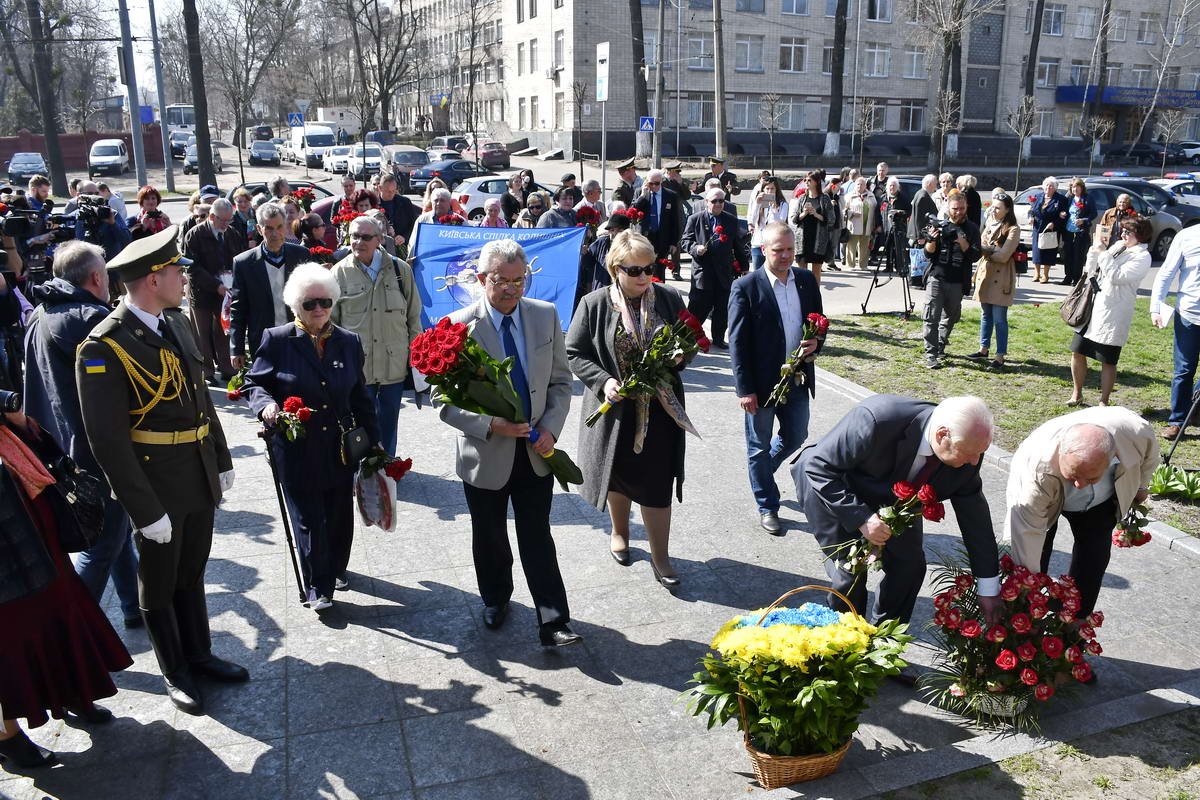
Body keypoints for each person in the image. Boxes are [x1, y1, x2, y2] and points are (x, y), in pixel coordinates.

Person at [76, 226, 244, 715]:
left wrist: (221, 456)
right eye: (177, 271)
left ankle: (200, 653)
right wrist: (143, 509)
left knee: (192, 569)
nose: (183, 279)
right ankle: (175, 670)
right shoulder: (104, 346)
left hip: (195, 470)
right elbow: (106, 441)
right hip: (156, 479)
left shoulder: (177, 322)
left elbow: (200, 401)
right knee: (160, 578)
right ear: (153, 279)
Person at [439, 238, 581, 647]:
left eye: (520, 281)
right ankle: (495, 597)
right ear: (482, 279)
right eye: (502, 281)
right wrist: (490, 425)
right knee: (489, 535)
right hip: (486, 453)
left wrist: (551, 428)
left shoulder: (545, 315)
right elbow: (442, 404)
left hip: (537, 450)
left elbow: (560, 381)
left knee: (537, 535)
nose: (513, 289)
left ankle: (553, 618)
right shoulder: (457, 328)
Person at [791, 394, 1002, 635]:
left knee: (909, 567)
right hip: (835, 486)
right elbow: (819, 467)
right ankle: (844, 651)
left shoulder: (970, 447)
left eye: (979, 453)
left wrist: (988, 589)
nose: (975, 462)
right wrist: (862, 518)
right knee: (849, 574)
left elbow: (977, 525)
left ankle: (882, 649)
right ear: (942, 435)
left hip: (895, 501)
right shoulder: (878, 419)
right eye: (969, 453)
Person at [0, 408, 133, 768]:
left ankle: (72, 689)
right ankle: (6, 736)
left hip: (19, 491)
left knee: (58, 601)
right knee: (8, 631)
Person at [243, 264, 380, 611]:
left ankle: (336, 568)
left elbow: (359, 395)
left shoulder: (349, 342)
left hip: (338, 445)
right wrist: (267, 407)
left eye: (324, 302)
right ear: (295, 306)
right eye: (309, 304)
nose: (318, 309)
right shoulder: (277, 340)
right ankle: (317, 585)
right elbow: (253, 382)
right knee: (307, 516)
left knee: (338, 513)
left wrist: (375, 443)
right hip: (295, 445)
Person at [22, 240, 141, 630]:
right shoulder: (88, 318)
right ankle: (71, 635)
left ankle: (131, 607)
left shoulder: (42, 311)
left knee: (117, 535)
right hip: (92, 453)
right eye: (106, 275)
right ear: (96, 277)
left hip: (63, 449)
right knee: (102, 545)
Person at [566, 231, 696, 585]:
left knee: (657, 483)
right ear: (615, 269)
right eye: (634, 270)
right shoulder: (594, 304)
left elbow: (690, 339)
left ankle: (661, 557)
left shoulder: (668, 298)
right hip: (617, 413)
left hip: (661, 412)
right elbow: (574, 351)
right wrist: (604, 381)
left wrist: (682, 356)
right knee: (618, 476)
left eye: (649, 269)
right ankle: (619, 531)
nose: (643, 277)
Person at [1005, 407, 1157, 622]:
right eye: (1074, 475)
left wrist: (1140, 486)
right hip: (1048, 488)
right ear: (1062, 454)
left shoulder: (1137, 433)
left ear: (1112, 457)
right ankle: (1028, 615)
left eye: (1091, 477)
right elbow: (1028, 533)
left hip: (1100, 500)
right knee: (1037, 550)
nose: (1079, 485)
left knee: (1094, 554)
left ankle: (1074, 622)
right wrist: (1028, 592)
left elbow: (1149, 458)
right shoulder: (1036, 470)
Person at [728, 223, 823, 534]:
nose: (785, 256)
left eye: (790, 250)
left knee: (796, 435)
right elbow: (738, 343)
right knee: (758, 445)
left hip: (796, 378)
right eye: (778, 250)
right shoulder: (746, 286)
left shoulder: (807, 280)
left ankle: (763, 471)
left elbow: (819, 325)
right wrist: (745, 389)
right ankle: (767, 504)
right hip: (761, 383)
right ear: (763, 249)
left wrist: (816, 343)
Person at [329, 215, 421, 457]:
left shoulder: (401, 270)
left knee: (389, 420)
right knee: (358, 421)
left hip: (394, 365)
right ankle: (363, 470)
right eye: (354, 236)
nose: (359, 242)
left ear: (380, 239)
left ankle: (386, 466)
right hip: (358, 367)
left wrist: (417, 358)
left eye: (365, 237)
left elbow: (414, 317)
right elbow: (332, 324)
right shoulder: (338, 274)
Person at [1067, 217, 1153, 407]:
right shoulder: (1119, 246)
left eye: (1127, 232)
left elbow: (1117, 276)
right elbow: (1093, 269)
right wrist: (1095, 250)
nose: (1123, 235)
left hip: (1114, 312)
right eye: (1122, 231)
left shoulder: (1143, 257)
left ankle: (1103, 401)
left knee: (1108, 359)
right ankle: (1077, 393)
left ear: (1140, 236)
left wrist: (1103, 254)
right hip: (1094, 307)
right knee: (1077, 351)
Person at [230, 203, 310, 371]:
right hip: (262, 339)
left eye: (279, 227)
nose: (275, 234)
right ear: (259, 229)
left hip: (297, 336)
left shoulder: (301, 255)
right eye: (269, 228)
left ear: (286, 226)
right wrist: (236, 348)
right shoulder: (244, 263)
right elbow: (238, 308)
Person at [182, 197, 245, 385]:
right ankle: (207, 372)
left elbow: (238, 259)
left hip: (226, 292)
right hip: (201, 293)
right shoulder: (194, 235)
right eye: (222, 220)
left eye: (229, 220)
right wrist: (214, 285)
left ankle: (227, 368)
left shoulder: (232, 233)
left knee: (224, 330)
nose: (226, 224)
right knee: (202, 333)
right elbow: (192, 268)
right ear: (211, 217)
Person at [682, 188, 750, 348]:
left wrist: (744, 267)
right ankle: (688, 337)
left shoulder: (731, 220)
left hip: (724, 272)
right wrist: (695, 248)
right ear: (707, 202)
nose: (718, 204)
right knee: (698, 307)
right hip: (703, 272)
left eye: (721, 201)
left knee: (722, 309)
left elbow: (737, 245)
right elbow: (685, 241)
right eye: (714, 201)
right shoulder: (695, 219)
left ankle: (718, 339)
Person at [921, 193, 981, 369]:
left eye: (962, 208)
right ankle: (931, 354)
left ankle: (940, 344)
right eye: (955, 209)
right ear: (948, 207)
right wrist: (932, 239)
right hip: (937, 277)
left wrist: (961, 240)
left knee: (952, 317)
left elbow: (975, 255)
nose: (959, 212)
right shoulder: (939, 225)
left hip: (958, 280)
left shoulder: (972, 229)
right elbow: (928, 253)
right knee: (931, 316)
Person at [1152, 224, 1200, 440]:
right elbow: (1166, 272)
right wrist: (1156, 306)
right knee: (1184, 371)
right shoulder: (1187, 236)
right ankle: (1178, 421)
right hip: (1189, 314)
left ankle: (1195, 408)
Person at [968, 193, 1020, 372]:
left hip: (1002, 276)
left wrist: (987, 250)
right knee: (985, 315)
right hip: (986, 272)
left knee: (999, 319)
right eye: (993, 207)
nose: (994, 210)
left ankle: (1000, 355)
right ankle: (983, 349)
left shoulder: (1013, 229)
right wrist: (991, 249)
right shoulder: (990, 222)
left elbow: (1004, 256)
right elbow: (980, 244)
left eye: (998, 208)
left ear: (1007, 210)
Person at [631, 169, 680, 279]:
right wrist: (643, 196)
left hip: (662, 238)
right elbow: (632, 212)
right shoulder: (640, 192)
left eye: (656, 183)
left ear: (661, 181)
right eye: (650, 183)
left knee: (659, 270)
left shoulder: (670, 195)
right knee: (643, 268)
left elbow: (674, 221)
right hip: (644, 237)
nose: (653, 186)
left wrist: (673, 242)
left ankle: (659, 293)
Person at [790, 170, 835, 284]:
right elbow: (794, 219)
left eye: (809, 180)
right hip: (802, 240)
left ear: (816, 182)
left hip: (818, 240)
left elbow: (831, 219)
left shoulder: (824, 198)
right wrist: (804, 213)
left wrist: (816, 214)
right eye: (805, 180)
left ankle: (815, 297)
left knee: (816, 273)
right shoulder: (802, 198)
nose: (806, 182)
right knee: (802, 273)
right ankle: (802, 296)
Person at [1030, 176, 1068, 284]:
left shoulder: (1061, 199)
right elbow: (1031, 210)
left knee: (1049, 251)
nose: (1048, 187)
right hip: (1038, 228)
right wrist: (1031, 217)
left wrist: (1054, 223)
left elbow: (1063, 215)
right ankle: (1036, 273)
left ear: (1055, 188)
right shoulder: (1038, 196)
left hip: (1051, 229)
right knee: (1036, 251)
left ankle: (1045, 275)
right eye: (1047, 185)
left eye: (1051, 186)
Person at [1060, 178, 1097, 286]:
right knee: (1068, 254)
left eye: (1077, 186)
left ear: (1082, 187)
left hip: (1081, 231)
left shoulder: (1087, 198)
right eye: (1073, 187)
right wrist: (1062, 213)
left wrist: (1083, 220)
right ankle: (1068, 277)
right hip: (1068, 230)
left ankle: (1076, 279)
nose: (1075, 189)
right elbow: (1064, 210)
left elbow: (1093, 214)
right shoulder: (1070, 197)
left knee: (1078, 255)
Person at [747, 176, 788, 271]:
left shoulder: (783, 204)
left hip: (773, 243)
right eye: (767, 189)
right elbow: (753, 221)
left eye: (772, 189)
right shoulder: (760, 203)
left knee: (772, 272)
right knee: (757, 273)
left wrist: (774, 209)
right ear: (763, 190)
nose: (769, 191)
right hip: (758, 242)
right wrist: (757, 204)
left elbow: (780, 224)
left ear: (776, 190)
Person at [876, 177, 911, 272]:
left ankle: (899, 267)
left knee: (898, 248)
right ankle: (888, 267)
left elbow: (909, 211)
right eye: (890, 186)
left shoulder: (903, 198)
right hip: (886, 227)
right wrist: (878, 225)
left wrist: (900, 212)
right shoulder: (883, 198)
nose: (892, 187)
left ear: (898, 187)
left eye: (894, 186)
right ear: (887, 187)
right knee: (887, 247)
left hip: (899, 227)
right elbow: (878, 213)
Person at [843, 177, 877, 271]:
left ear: (865, 185)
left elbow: (875, 210)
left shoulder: (871, 195)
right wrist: (852, 214)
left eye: (862, 184)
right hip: (854, 225)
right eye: (858, 184)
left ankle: (863, 265)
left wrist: (875, 224)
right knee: (851, 246)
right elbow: (843, 210)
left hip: (867, 225)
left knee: (865, 247)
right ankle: (850, 265)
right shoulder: (849, 196)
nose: (859, 186)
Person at [907, 174, 939, 242]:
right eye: (935, 184)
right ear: (929, 184)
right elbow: (919, 218)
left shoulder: (920, 193)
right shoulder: (923, 196)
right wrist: (921, 236)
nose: (936, 187)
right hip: (920, 236)